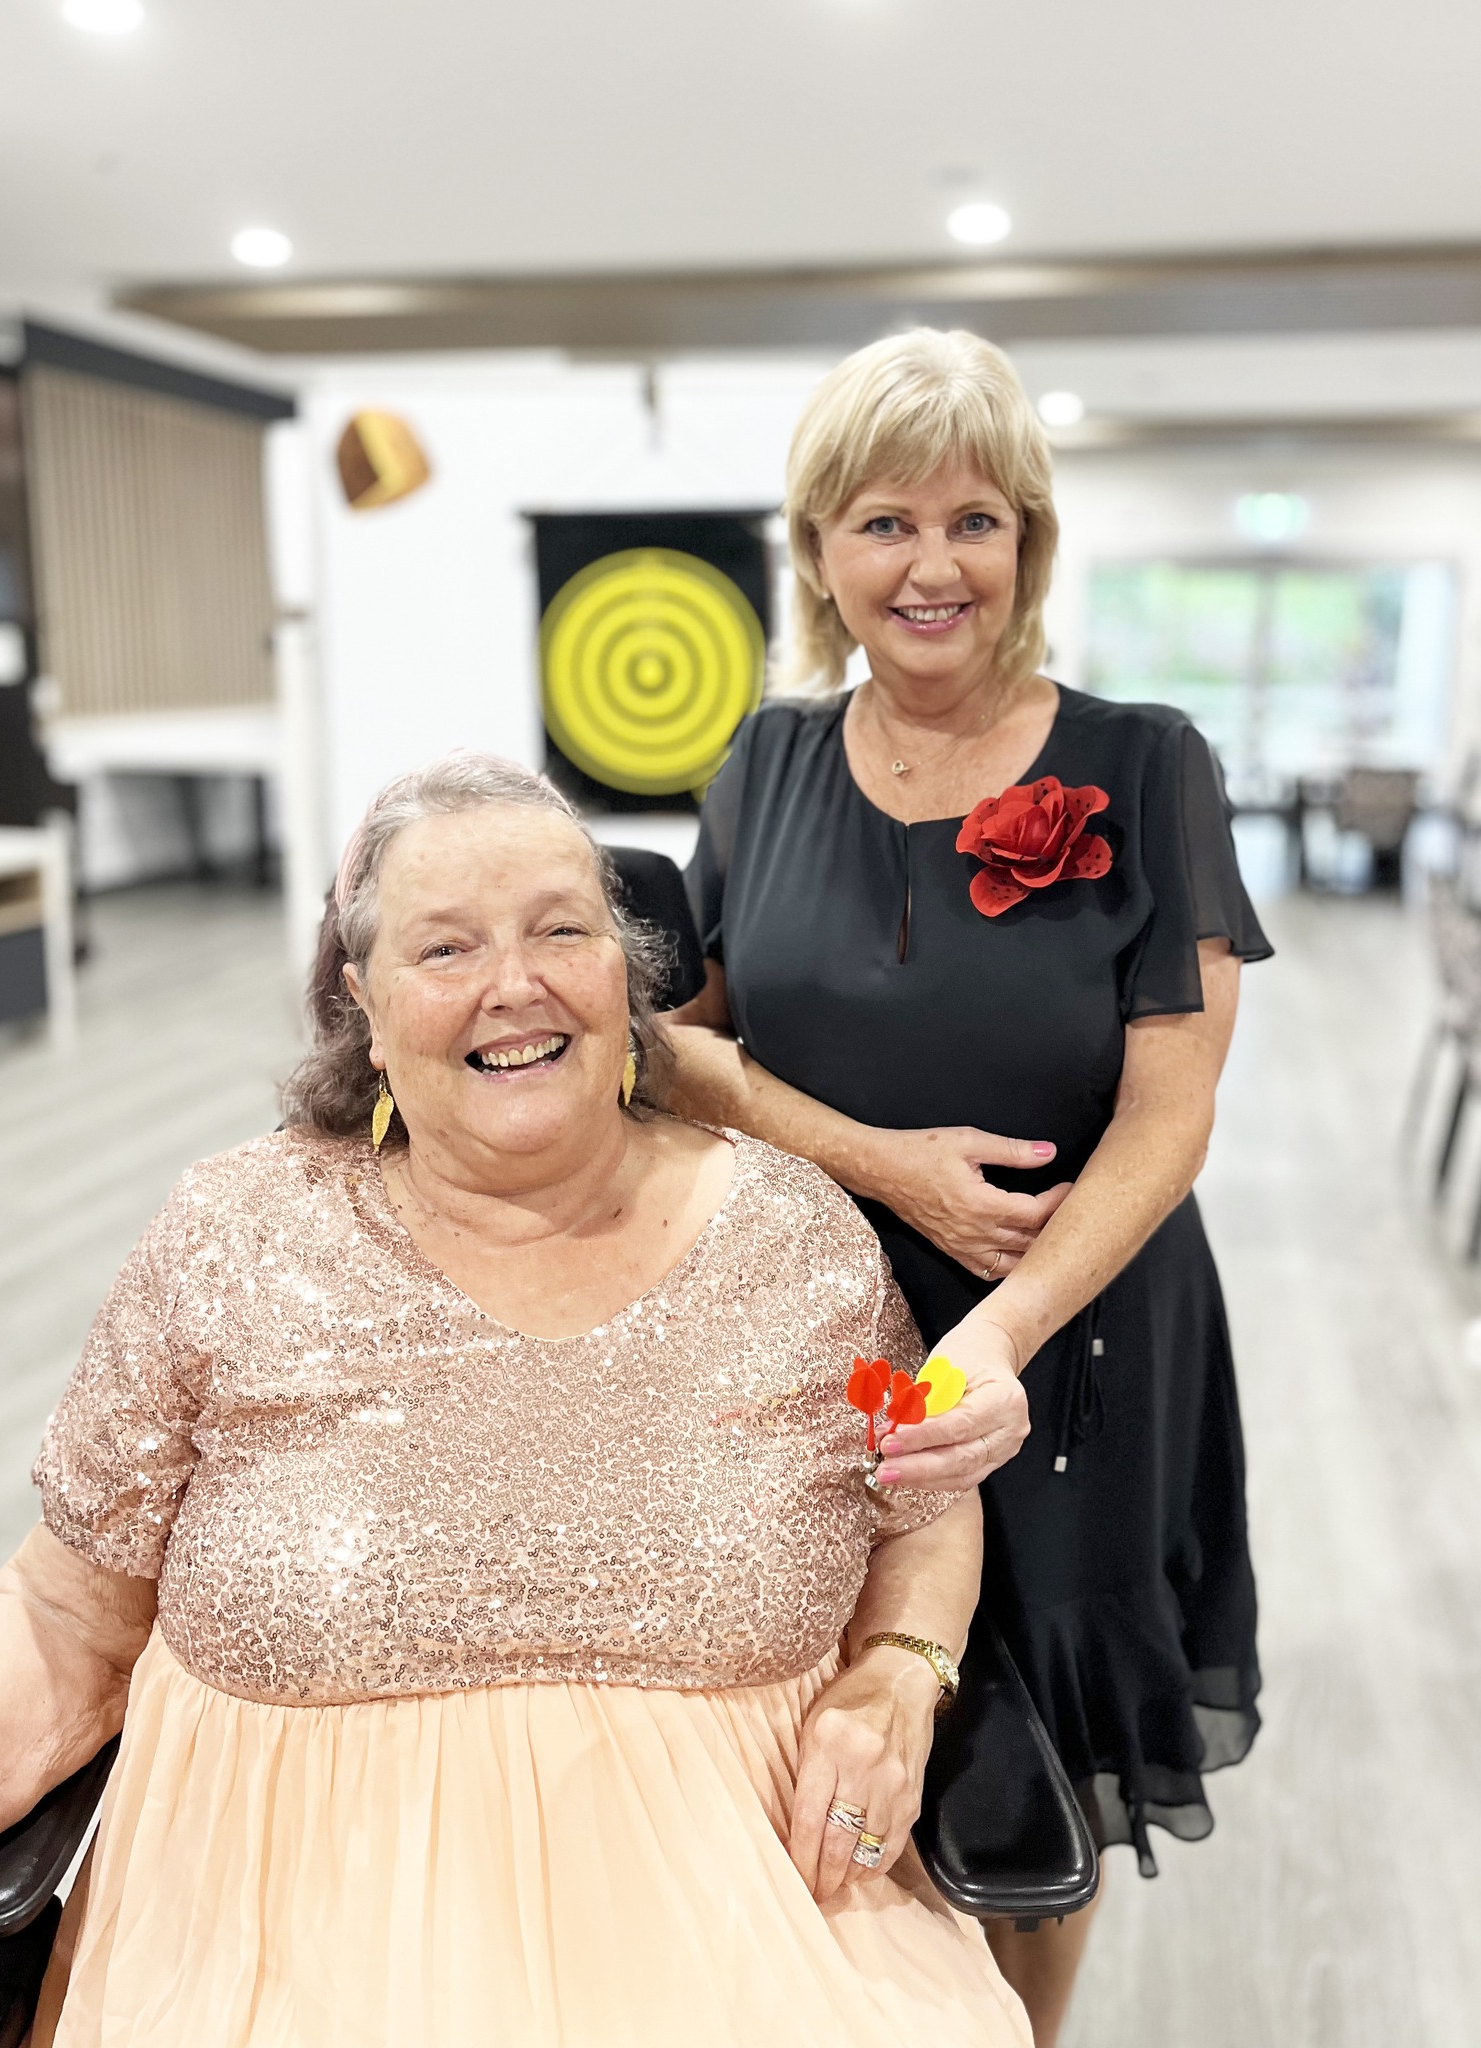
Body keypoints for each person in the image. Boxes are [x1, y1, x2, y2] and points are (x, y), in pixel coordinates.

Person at [0, 752, 1032, 2048]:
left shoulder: (793, 1240)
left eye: (560, 931)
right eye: (445, 948)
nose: (514, 985)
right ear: (364, 1004)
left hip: (748, 1940)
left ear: (625, 973)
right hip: (271, 1956)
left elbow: (918, 1487)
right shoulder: (232, 1237)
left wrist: (903, 1673)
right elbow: (65, 1616)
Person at [662, 328, 1271, 2045]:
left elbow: (1172, 1115)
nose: (932, 565)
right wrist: (884, 1169)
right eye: (884, 522)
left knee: (1040, 1770)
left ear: (1029, 547)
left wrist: (998, 1331)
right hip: (823, 1328)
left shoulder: (1147, 765)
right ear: (819, 554)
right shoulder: (765, 767)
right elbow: (682, 1048)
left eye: (974, 520)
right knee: (841, 1708)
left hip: (1070, 1333)